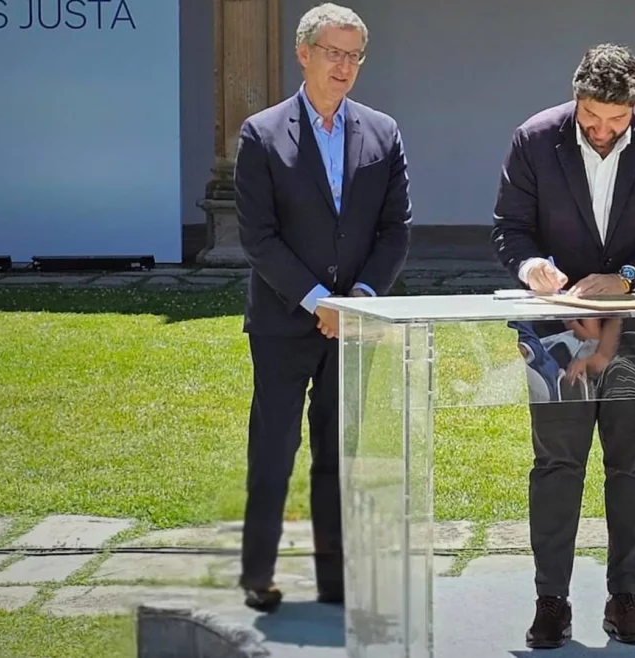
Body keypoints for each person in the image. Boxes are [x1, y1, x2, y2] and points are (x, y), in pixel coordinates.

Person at [491, 43, 635, 648]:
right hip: (557, 334)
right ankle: (550, 602)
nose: (604, 131)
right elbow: (509, 227)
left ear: (634, 110)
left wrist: (630, 278)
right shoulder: (534, 139)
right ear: (576, 98)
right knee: (557, 464)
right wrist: (531, 264)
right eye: (592, 118)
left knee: (634, 465)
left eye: (617, 122)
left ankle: (626, 599)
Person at [232, 2, 411, 613]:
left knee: (338, 453)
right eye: (333, 52)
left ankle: (335, 581)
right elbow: (257, 237)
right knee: (274, 449)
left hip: (353, 323)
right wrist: (317, 301)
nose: (344, 66)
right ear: (303, 54)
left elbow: (395, 229)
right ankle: (258, 574)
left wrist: (358, 299)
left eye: (354, 55)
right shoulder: (261, 133)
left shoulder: (383, 132)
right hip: (285, 320)